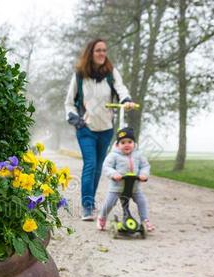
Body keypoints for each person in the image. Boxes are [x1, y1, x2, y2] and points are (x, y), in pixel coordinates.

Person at [65, 38, 133, 221]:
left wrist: (126, 101)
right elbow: (69, 103)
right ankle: (87, 206)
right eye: (98, 50)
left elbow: (121, 89)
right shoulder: (80, 75)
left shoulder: (111, 73)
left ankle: (91, 202)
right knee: (90, 164)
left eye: (104, 50)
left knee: (97, 168)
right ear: (90, 53)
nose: (102, 53)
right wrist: (74, 118)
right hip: (86, 128)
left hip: (106, 129)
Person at [96, 127, 154, 232]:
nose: (127, 144)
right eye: (123, 142)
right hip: (117, 187)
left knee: (142, 201)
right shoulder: (113, 155)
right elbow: (106, 167)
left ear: (134, 143)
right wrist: (114, 174)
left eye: (130, 142)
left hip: (134, 187)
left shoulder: (138, 155)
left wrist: (143, 174)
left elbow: (145, 166)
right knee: (109, 203)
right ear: (117, 144)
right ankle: (102, 218)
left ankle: (144, 220)